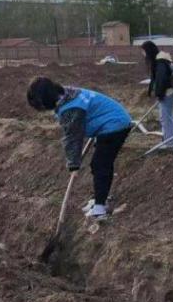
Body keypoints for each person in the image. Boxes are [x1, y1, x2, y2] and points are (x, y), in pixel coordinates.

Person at [27, 77, 133, 221]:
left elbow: (72, 138)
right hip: (110, 121)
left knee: (101, 165)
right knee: (98, 164)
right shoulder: (67, 94)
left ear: (46, 99)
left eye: (41, 106)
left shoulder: (71, 108)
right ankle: (99, 199)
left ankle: (100, 209)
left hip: (114, 124)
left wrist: (73, 164)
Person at [142, 40, 173, 144]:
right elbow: (156, 79)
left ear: (148, 51)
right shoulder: (160, 60)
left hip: (167, 92)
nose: (142, 53)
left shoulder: (160, 62)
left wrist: (159, 94)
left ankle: (169, 143)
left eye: (143, 51)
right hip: (169, 91)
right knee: (168, 117)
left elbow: (161, 79)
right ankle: (172, 140)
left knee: (165, 118)